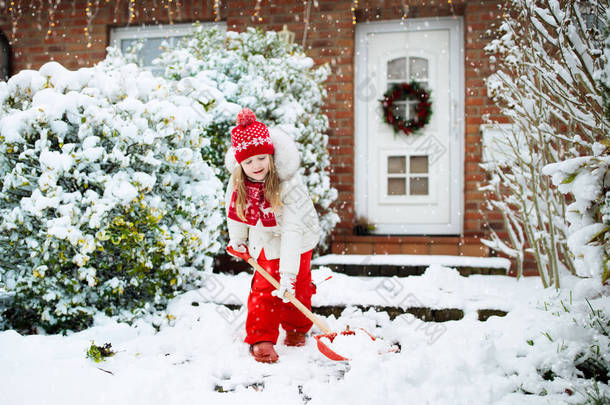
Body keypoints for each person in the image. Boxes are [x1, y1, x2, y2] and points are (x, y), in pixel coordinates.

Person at [224, 107, 321, 363]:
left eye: (260, 159)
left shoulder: (290, 185)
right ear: (240, 164)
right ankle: (260, 337)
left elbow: (292, 230)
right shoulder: (238, 185)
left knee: (295, 288)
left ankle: (297, 327)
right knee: (265, 287)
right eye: (248, 161)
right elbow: (236, 213)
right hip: (264, 238)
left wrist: (288, 274)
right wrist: (239, 241)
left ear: (271, 155)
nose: (255, 166)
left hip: (298, 238)